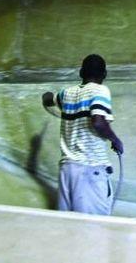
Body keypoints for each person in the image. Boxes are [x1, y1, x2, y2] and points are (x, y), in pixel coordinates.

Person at [41, 54, 124, 215]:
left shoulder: (66, 94)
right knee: (93, 229)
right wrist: (115, 140)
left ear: (81, 73)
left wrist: (45, 96)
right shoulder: (101, 90)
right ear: (104, 75)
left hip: (67, 170)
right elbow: (98, 121)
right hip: (90, 169)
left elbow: (48, 99)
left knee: (69, 228)